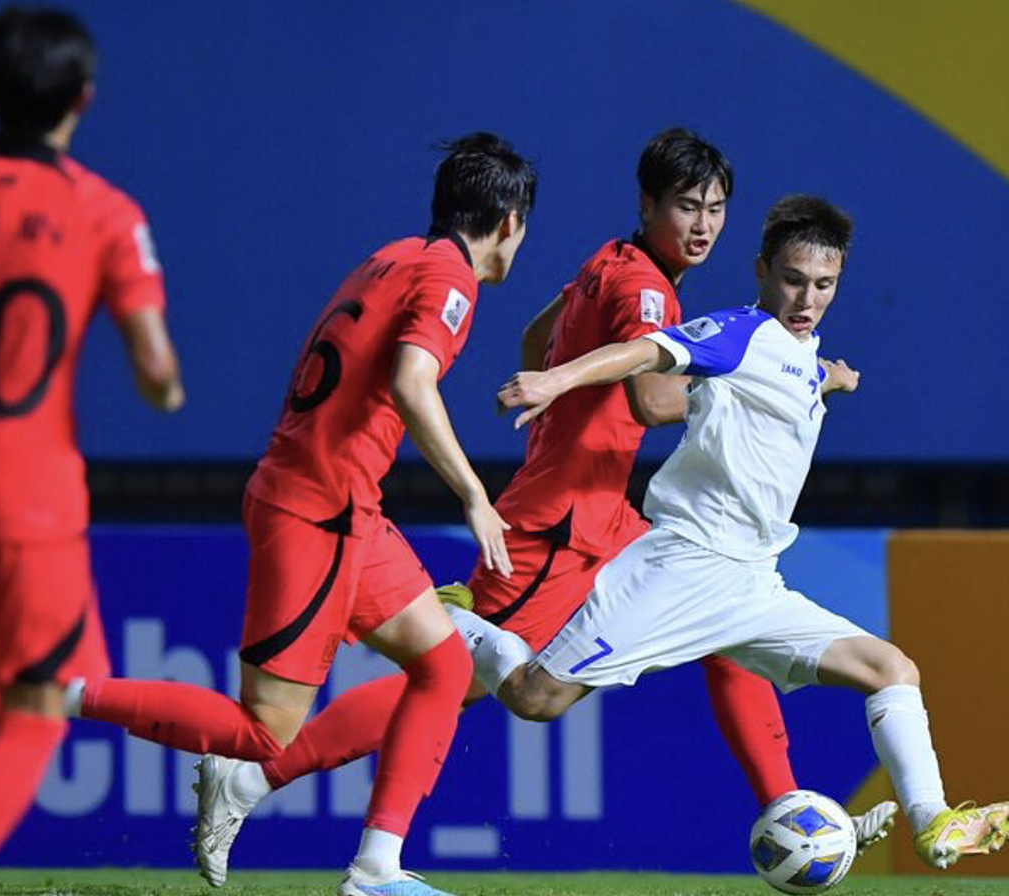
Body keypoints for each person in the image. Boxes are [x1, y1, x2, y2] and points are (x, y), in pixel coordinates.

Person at [185, 128, 894, 887]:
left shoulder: (611, 262)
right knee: (451, 679)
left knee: (727, 624)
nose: (703, 226)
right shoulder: (648, 289)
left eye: (716, 209)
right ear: (647, 204)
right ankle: (260, 779)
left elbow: (536, 336)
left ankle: (791, 813)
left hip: (607, 516)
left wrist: (559, 395)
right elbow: (655, 397)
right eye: (686, 207)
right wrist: (776, 379)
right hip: (558, 526)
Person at [466, 194, 1009, 870]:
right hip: (681, 566)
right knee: (534, 699)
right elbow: (644, 350)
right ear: (762, 270)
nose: (806, 298)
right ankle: (456, 625)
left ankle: (933, 822)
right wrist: (556, 378)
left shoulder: (803, 353)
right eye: (792, 279)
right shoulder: (738, 334)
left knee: (892, 669)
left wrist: (833, 380)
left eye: (823, 285)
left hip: (755, 582)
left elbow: (802, 375)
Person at [69, 132, 536, 896]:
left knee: (445, 665)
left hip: (339, 500)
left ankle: (375, 871)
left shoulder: (394, 255)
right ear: (511, 222)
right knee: (263, 731)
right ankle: (54, 694)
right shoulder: (453, 278)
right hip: (320, 510)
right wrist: (475, 496)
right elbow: (415, 384)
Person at [0, 7, 185, 896]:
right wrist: (167, 391)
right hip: (29, 490)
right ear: (83, 98)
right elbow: (153, 368)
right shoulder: (102, 211)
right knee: (44, 706)